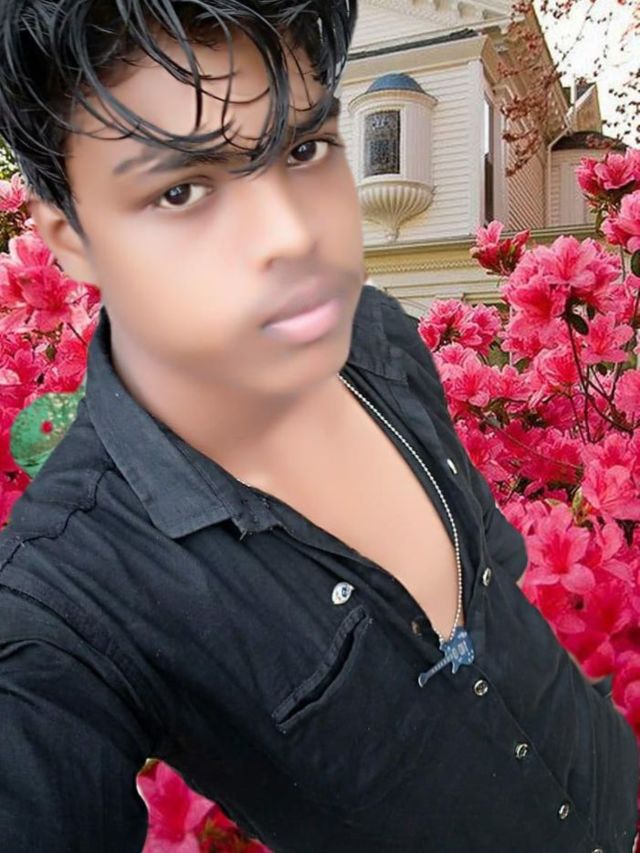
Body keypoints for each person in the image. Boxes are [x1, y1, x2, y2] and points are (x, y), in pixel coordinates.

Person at [0, 2, 637, 851]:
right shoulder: (66, 597)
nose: (294, 235)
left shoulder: (376, 335)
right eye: (181, 190)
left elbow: (495, 590)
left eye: (303, 148)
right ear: (69, 237)